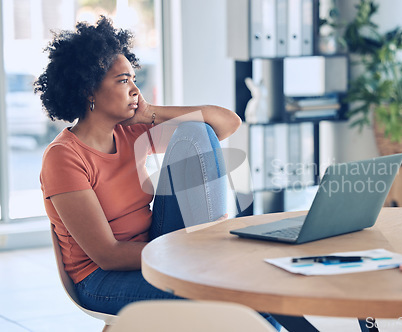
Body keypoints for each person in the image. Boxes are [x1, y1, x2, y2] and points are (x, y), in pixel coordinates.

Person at [35, 16, 281, 330]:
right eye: (124, 81)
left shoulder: (129, 133)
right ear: (89, 91)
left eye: (134, 79)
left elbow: (225, 124)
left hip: (158, 248)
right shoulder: (63, 157)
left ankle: (216, 256)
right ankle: (216, 259)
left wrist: (150, 113)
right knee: (222, 293)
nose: (135, 90)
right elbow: (108, 255)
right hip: (102, 280)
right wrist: (190, 254)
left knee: (196, 130)